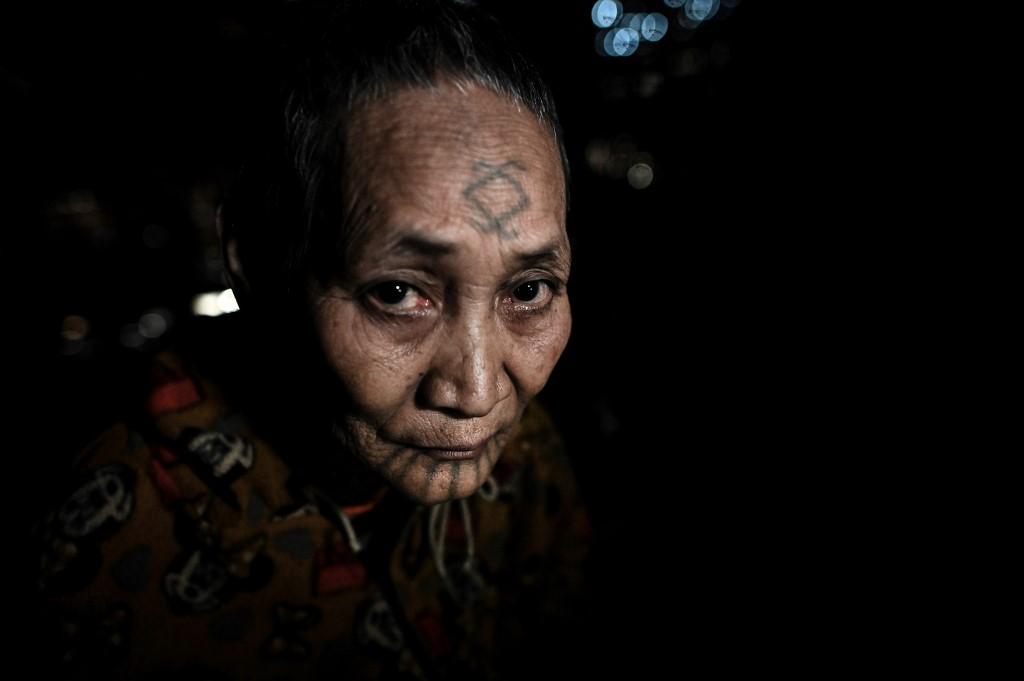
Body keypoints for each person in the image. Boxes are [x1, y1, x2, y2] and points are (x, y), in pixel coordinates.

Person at [27, 1, 592, 679]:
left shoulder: (526, 460)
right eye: (397, 292)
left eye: (528, 290)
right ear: (260, 268)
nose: (476, 393)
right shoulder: (101, 550)